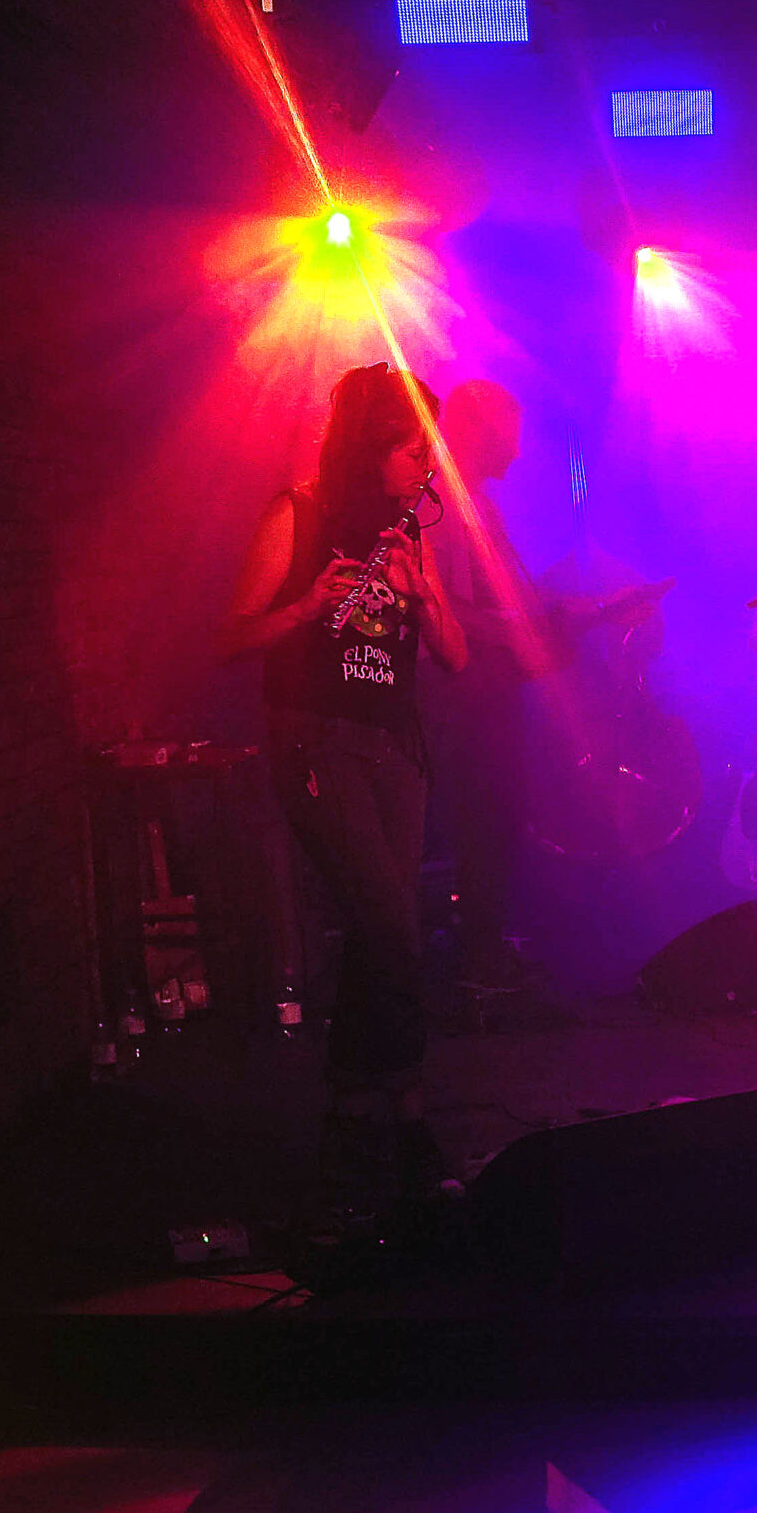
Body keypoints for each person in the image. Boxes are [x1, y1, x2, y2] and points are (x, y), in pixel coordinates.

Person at [219, 362, 467, 1236]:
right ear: (370, 447)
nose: (426, 466)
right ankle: (408, 1115)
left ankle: (349, 1115)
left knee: (379, 925)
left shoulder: (409, 535)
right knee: (392, 926)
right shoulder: (298, 512)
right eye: (411, 450)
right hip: (318, 743)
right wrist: (304, 607)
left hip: (396, 750)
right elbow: (227, 637)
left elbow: (457, 657)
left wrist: (423, 593)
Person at [425, 380, 549, 990]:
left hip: (485, 696)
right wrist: (510, 627)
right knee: (481, 823)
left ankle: (486, 950)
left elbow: (499, 599)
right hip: (458, 701)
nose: (517, 452)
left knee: (497, 823)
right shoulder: (440, 505)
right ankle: (477, 959)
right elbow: (438, 604)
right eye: (508, 437)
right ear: (474, 431)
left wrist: (568, 613)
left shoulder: (477, 504)